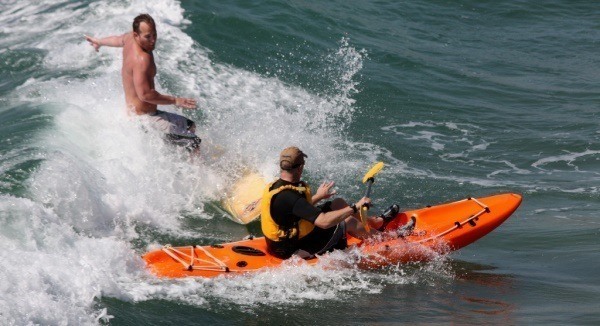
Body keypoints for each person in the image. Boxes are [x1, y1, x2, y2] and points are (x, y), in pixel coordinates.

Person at [84, 14, 201, 152]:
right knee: (193, 142)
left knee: (189, 126)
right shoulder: (142, 60)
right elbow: (145, 95)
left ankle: (178, 160)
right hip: (145, 121)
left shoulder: (129, 38)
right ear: (136, 35)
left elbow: (117, 40)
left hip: (146, 114)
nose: (153, 40)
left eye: (154, 35)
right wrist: (175, 100)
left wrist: (99, 41)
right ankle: (198, 173)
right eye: (148, 37)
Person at [260, 146, 400, 259]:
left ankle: (375, 223)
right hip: (291, 249)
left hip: (288, 238)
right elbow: (323, 222)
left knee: (338, 203)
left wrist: (319, 196)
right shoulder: (289, 196)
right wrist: (355, 206)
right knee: (349, 221)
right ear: (299, 168)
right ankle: (386, 239)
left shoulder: (277, 186)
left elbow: (296, 209)